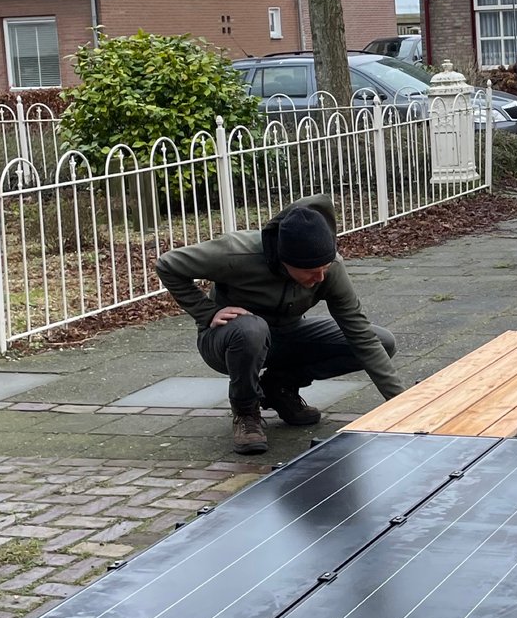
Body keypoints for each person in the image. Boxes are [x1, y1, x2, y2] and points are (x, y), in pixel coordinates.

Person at [155, 194, 404, 455]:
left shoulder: (330, 269)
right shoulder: (237, 252)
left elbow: (359, 332)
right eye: (311, 272)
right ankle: (246, 412)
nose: (320, 277)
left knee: (382, 342)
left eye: (325, 268)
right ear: (285, 260)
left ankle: (278, 387)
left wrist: (402, 405)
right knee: (252, 329)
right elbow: (168, 265)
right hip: (230, 340)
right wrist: (206, 312)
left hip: (287, 334)